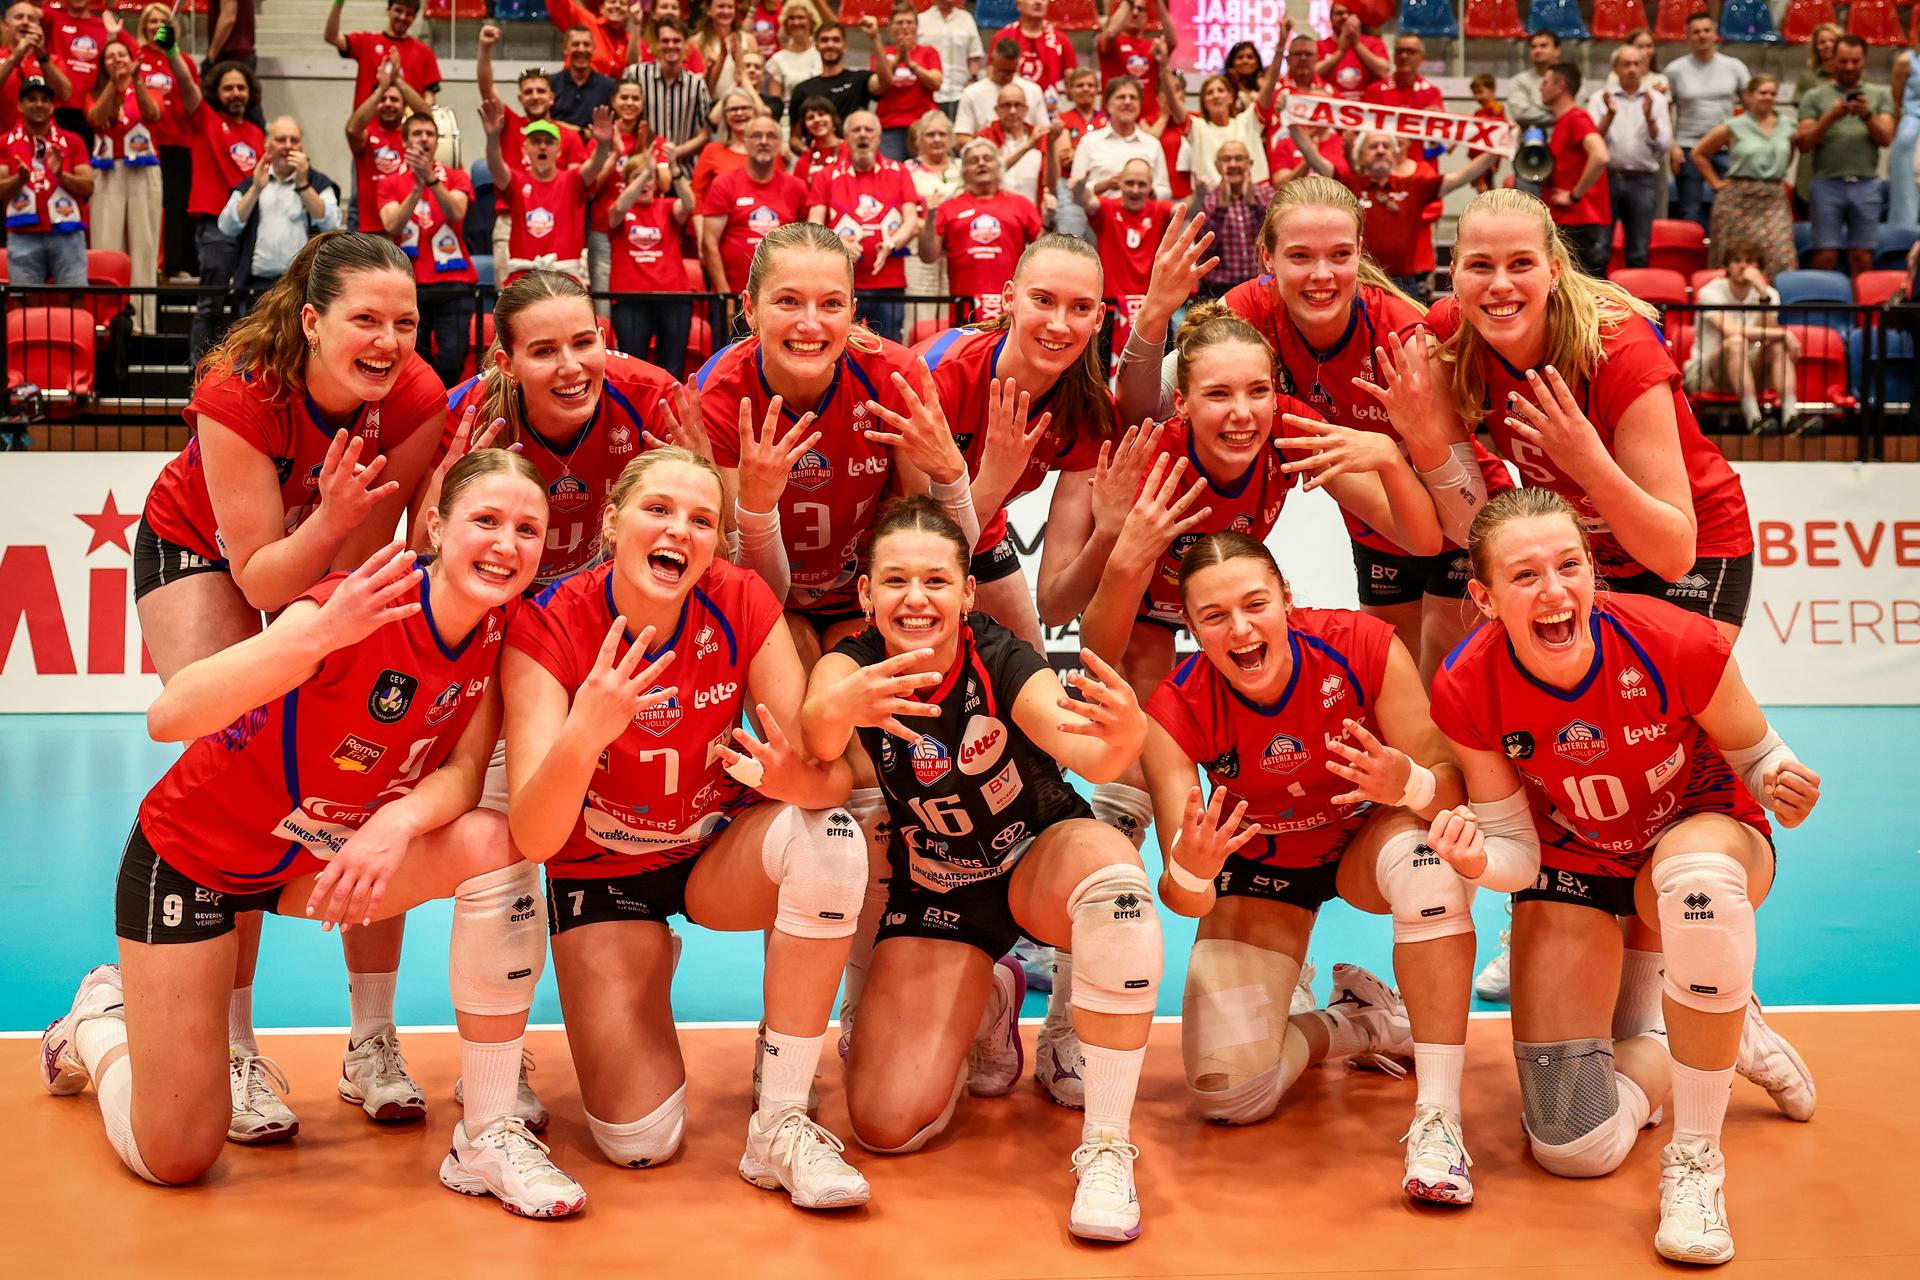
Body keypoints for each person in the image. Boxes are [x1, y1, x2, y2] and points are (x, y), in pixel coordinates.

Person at [40, 452, 581, 1210]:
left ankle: (485, 1126)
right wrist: (315, 635)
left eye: (528, 529)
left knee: (502, 838)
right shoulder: (359, 602)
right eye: (485, 521)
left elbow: (463, 773)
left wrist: (397, 819)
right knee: (178, 1154)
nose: (505, 544)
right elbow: (170, 718)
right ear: (436, 525)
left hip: (309, 865)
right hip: (194, 860)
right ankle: (99, 1020)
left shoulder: (501, 632)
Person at [1428, 486, 1820, 1265]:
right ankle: (1715, 1023)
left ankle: (1696, 1160)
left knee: (1699, 885)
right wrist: (1478, 862)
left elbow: (1761, 756)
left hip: (1693, 832)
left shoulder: (1678, 641)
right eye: (1525, 576)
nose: (1554, 591)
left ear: (1593, 574)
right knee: (1575, 1144)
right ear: (1483, 597)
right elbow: (1516, 853)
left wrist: (1787, 781)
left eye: (1569, 566)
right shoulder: (1466, 685)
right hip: (1574, 863)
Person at [132, 233, 447, 1144]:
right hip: (204, 549)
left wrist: (346, 531)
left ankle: (373, 1041)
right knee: (228, 774)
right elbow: (266, 582)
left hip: (322, 550)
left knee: (370, 775)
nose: (389, 341)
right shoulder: (239, 390)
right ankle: (234, 1050)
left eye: (405, 323)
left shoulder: (416, 396)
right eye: (365, 320)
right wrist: (340, 513)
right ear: (311, 322)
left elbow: (349, 579)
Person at [500, 443, 872, 1209]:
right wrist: (585, 731)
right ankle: (639, 962)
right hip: (600, 869)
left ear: (717, 544)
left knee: (830, 834)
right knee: (641, 1141)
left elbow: (832, 778)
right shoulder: (551, 622)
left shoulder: (739, 601)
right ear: (612, 523)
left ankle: (782, 1121)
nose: (680, 531)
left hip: (712, 854)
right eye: (659, 510)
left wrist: (787, 778)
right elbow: (535, 837)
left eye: (703, 520)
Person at [799, 496, 1162, 1242]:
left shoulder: (999, 657)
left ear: (966, 594)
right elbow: (816, 728)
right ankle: (992, 1003)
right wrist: (845, 706)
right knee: (885, 1127)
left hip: (1036, 856)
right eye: (895, 581)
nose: (916, 598)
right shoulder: (853, 662)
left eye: (936, 581)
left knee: (1118, 887)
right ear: (866, 595)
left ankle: (1104, 1150)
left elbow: (1086, 750)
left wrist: (1122, 738)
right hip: (938, 889)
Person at [1110, 527, 1480, 1203]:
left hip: (1367, 840)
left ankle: (1439, 1116)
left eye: (1256, 604)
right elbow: (1183, 895)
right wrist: (1192, 868)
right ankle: (1360, 1022)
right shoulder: (1173, 709)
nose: (1241, 630)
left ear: (1286, 597)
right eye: (1215, 616)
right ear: (1190, 625)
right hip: (1262, 871)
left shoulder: (1362, 645)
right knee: (1230, 1095)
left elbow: (1452, 789)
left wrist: (1408, 781)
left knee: (1433, 860)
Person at [1118, 195, 1507, 681]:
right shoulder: (1245, 311)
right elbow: (1144, 409)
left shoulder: (1403, 337)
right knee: (1397, 683)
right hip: (1374, 516)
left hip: (1458, 513)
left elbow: (1459, 521)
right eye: (1300, 256)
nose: (1320, 275)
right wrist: (1153, 315)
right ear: (1267, 258)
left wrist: (1402, 450)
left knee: (1449, 679)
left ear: (1360, 254)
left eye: (1340, 255)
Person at [1397, 189, 1756, 634]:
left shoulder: (1620, 351)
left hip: (1696, 541)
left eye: (1521, 263)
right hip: (1577, 554)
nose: (1500, 284)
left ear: (1555, 270)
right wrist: (1421, 439)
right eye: (1480, 265)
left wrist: (1586, 461)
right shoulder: (1450, 331)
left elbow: (1673, 554)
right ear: (1453, 273)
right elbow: (1459, 518)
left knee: (1674, 702)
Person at [1288, 127, 1497, 304]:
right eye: (1373, 146)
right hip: (1359, 283)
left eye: (1386, 146)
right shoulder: (1348, 185)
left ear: (1395, 155)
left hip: (1405, 285)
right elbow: (1313, 157)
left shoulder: (1414, 186)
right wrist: (1291, 124)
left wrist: (1497, 148)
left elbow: (1462, 176)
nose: (1380, 151)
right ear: (1360, 155)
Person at [806, 109, 922, 341]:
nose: (862, 135)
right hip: (842, 283)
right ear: (846, 138)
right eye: (856, 130)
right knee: (840, 348)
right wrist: (838, 245)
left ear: (879, 138)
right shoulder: (825, 176)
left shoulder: (900, 172)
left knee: (888, 351)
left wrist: (891, 243)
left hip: (890, 283)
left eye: (869, 130)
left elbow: (912, 221)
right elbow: (813, 224)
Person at [379, 111, 476, 386]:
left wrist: (432, 180)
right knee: (411, 360)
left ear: (437, 141)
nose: (424, 139)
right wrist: (417, 187)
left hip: (453, 284)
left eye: (430, 134)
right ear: (405, 141)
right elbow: (392, 224)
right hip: (409, 285)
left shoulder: (456, 176)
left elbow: (457, 212)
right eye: (417, 134)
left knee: (452, 359)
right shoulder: (389, 182)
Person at [482, 100, 614, 286]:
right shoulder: (516, 181)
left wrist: (603, 145)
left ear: (559, 150)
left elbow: (595, 165)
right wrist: (492, 137)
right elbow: (495, 166)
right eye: (536, 142)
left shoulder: (573, 180)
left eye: (548, 142)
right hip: (523, 280)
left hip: (565, 280)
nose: (542, 147)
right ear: (525, 149)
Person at [1794, 34, 1895, 278]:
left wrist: (1867, 116)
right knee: (1824, 255)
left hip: (1866, 183)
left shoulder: (1880, 94)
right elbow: (1804, 144)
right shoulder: (1814, 97)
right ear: (1832, 61)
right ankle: (1825, 312)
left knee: (1862, 256)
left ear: (1864, 62)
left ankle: (1862, 314)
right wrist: (1830, 117)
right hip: (1826, 184)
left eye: (1855, 61)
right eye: (1843, 61)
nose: (1849, 67)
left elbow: (1886, 138)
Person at [1684, 241, 1803, 434]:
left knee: (1776, 346)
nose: (1743, 266)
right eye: (1737, 261)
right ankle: (1754, 419)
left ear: (1759, 267)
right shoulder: (1710, 292)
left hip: (1748, 369)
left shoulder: (1769, 294)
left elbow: (1768, 332)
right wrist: (1783, 333)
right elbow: (1732, 331)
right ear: (1727, 266)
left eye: (1750, 262)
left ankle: (1791, 417)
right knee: (1736, 342)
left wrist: (1763, 293)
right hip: (1707, 372)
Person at [921, 137, 1041, 325]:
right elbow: (928, 256)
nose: (981, 164)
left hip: (1010, 306)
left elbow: (1041, 250)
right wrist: (930, 216)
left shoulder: (1022, 204)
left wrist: (1049, 221)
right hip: (965, 308)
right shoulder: (948, 207)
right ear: (964, 172)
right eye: (973, 160)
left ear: (999, 166)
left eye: (987, 158)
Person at [218, 116, 345, 294]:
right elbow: (227, 227)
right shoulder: (251, 184)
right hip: (254, 287)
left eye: (294, 140)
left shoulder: (318, 183)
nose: (288, 146)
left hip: (302, 285)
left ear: (301, 145)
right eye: (280, 140)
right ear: (267, 145)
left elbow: (331, 224)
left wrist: (303, 186)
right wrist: (256, 189)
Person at [1691, 74, 1797, 279]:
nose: (1768, 97)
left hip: (1773, 198)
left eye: (1772, 93)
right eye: (1762, 92)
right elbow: (1698, 153)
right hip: (1737, 198)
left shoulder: (1787, 125)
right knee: (1733, 257)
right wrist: (1716, 183)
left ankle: (1772, 302)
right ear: (1749, 96)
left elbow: (1790, 152)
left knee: (1780, 255)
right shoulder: (1734, 125)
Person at [85, 39, 160, 327]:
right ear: (102, 64)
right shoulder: (94, 93)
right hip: (107, 170)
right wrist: (113, 86)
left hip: (144, 168)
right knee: (107, 244)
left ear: (131, 59)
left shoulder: (147, 88)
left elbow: (152, 114)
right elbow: (95, 118)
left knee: (144, 245)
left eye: (122, 55)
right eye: (109, 57)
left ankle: (143, 323)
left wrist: (135, 82)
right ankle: (106, 320)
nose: (116, 60)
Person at [701, 109, 808, 299]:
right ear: (745, 142)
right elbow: (709, 243)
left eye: (771, 136)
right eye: (757, 136)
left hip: (782, 297)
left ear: (779, 144)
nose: (764, 141)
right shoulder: (724, 183)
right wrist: (725, 296)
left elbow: (804, 242)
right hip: (734, 295)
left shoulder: (796, 187)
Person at [0, 74, 91, 286]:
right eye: (32, 98)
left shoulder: (73, 141)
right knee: (24, 307)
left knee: (74, 301)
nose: (39, 104)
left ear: (52, 106)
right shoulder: (4, 143)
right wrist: (19, 180)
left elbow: (88, 186)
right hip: (22, 235)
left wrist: (61, 175)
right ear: (20, 106)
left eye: (44, 99)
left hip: (67, 233)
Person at [609, 157, 697, 372]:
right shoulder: (618, 209)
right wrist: (646, 173)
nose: (646, 183)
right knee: (633, 368)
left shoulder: (666, 206)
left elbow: (689, 204)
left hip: (673, 298)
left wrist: (675, 170)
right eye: (638, 177)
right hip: (631, 300)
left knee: (673, 368)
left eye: (650, 178)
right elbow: (618, 209)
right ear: (627, 183)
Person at [1589, 46, 1672, 271]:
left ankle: (1637, 303)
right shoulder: (1599, 99)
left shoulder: (1657, 100)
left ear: (1645, 67)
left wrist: (1650, 119)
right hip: (1607, 179)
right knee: (1599, 250)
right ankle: (1596, 305)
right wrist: (1609, 115)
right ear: (1615, 68)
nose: (1632, 69)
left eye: (1637, 64)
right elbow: (1591, 144)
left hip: (1642, 180)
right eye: (1626, 64)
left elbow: (1663, 145)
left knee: (1638, 252)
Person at [1664, 11, 1749, 230]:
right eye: (1696, 32)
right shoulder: (1674, 70)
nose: (1702, 35)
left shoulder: (1735, 66)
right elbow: (1664, 113)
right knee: (1689, 211)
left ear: (1715, 34)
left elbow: (1753, 109)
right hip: (1688, 147)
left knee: (1729, 210)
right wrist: (1672, 147)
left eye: (1706, 30)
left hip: (1726, 148)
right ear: (1688, 36)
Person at [1081, 157, 1173, 358]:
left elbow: (1185, 210)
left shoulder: (1160, 209)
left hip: (1152, 309)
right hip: (1111, 309)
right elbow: (1082, 198)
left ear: (1150, 187)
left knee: (1158, 370)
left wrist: (1200, 193)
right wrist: (1096, 185)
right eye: (1130, 183)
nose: (1135, 190)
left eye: (1142, 184)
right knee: (1103, 374)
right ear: (1119, 183)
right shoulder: (1106, 207)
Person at [131, 3, 195, 280]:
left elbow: (192, 97)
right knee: (147, 206)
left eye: (162, 21)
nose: (157, 25)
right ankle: (146, 265)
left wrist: (172, 53)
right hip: (143, 146)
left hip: (177, 142)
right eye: (151, 21)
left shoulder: (183, 59)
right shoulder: (136, 56)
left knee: (175, 205)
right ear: (143, 26)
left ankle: (173, 263)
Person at [1538, 62, 1611, 280]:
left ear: (1560, 86)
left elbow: (1600, 155)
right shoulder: (1564, 121)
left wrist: (1574, 195)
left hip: (1580, 221)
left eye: (1545, 82)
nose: (1540, 88)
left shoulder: (1576, 118)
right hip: (1570, 220)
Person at [623, 17, 713, 176]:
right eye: (665, 41)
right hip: (640, 168)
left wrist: (675, 153)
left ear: (686, 45)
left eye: (676, 41)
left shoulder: (697, 85)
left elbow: (705, 134)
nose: (671, 45)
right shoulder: (635, 75)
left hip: (682, 169)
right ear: (657, 44)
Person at [346, 64, 426, 233]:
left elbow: (427, 116)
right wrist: (381, 88)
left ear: (405, 107)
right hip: (369, 226)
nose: (388, 103)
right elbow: (352, 129)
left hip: (407, 226)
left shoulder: (413, 137)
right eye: (383, 99)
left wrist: (397, 80)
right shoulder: (365, 136)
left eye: (395, 99)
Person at [1070, 76, 1169, 203]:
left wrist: (1146, 189)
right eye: (1121, 97)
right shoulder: (1089, 142)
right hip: (1096, 219)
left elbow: (1165, 191)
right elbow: (1074, 191)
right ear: (1108, 104)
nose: (1127, 102)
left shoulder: (1152, 144)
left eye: (1133, 97)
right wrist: (1105, 185)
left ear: (1140, 104)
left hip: (1143, 220)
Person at [325, 0, 440, 107]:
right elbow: (332, 37)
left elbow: (429, 97)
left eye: (409, 14)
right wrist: (339, 3)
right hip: (367, 127)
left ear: (414, 17)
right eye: (398, 10)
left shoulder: (425, 52)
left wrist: (421, 116)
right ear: (388, 10)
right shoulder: (366, 43)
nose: (403, 17)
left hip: (406, 127)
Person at [1195, 141, 1272, 297]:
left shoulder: (1267, 195)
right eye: (1226, 159)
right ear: (1217, 166)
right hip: (1217, 290)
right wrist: (1220, 209)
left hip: (1261, 285)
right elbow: (1204, 251)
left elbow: (1272, 238)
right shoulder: (1208, 200)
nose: (1233, 164)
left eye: (1238, 158)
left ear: (1249, 164)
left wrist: (1255, 207)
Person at [866, 6, 941, 163]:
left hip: (923, 124)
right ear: (890, 27)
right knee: (888, 173)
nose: (905, 27)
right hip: (890, 125)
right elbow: (878, 87)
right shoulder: (881, 53)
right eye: (899, 23)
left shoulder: (929, 52)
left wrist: (911, 64)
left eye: (909, 22)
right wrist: (898, 59)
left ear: (916, 27)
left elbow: (936, 82)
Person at [972, 79, 1053, 208]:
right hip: (995, 214)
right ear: (997, 110)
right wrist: (1027, 146)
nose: (1013, 111)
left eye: (1018, 105)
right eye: (1007, 105)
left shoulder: (1041, 138)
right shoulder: (984, 139)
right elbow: (988, 174)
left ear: (1026, 109)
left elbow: (1051, 183)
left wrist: (1052, 145)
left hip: (1032, 214)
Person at [784, 21, 870, 137]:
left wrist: (875, 37)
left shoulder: (860, 79)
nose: (830, 44)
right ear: (816, 46)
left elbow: (885, 81)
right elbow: (795, 139)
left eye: (836, 40)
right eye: (824, 40)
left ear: (845, 46)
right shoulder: (802, 89)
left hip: (852, 151)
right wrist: (813, 154)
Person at [955, 36, 1045, 144]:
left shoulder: (1033, 91)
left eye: (1010, 71)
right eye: (1001, 70)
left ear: (1017, 64)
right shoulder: (972, 93)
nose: (1005, 76)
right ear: (993, 60)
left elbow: (1043, 132)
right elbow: (961, 139)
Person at [1185, 74, 1268, 189]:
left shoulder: (1248, 121)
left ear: (1231, 97)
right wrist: (1164, 67)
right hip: (1211, 202)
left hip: (1255, 198)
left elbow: (1268, 92)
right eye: (1210, 92)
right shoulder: (1197, 127)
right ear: (1203, 102)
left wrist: (1278, 56)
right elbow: (1175, 108)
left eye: (1221, 90)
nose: (1216, 95)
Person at [1096, 0, 1174, 123]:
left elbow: (1172, 42)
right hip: (1114, 120)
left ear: (1147, 16)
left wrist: (1159, 2)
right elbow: (1110, 34)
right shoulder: (1110, 44)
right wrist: (1128, 2)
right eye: (1132, 8)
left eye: (1141, 9)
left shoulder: (1154, 46)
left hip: (1148, 122)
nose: (1135, 13)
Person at [692, 87, 761, 205]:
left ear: (754, 112)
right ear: (724, 116)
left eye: (745, 108)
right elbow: (697, 195)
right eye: (733, 109)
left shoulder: (768, 152)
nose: (739, 113)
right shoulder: (712, 151)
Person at [918, 0, 983, 121]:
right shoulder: (921, 21)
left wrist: (972, 79)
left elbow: (974, 56)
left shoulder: (966, 19)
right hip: (929, 95)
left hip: (960, 94)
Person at [993, 0, 1076, 95]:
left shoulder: (1061, 41)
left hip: (1048, 106)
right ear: (1018, 4)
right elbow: (992, 78)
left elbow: (1072, 87)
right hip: (1010, 104)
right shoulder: (1002, 37)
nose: (1038, 2)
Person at [1315, 2, 1390, 101]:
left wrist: (1357, 44)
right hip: (1331, 109)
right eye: (1339, 13)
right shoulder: (1318, 46)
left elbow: (1383, 72)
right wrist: (1340, 52)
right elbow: (1312, 74)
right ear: (1331, 19)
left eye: (1350, 13)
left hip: (1366, 110)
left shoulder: (1375, 43)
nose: (1345, 16)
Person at [546, 0, 634, 79]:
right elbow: (559, 4)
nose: (617, 6)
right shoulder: (587, 21)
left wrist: (636, 25)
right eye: (612, 2)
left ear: (628, 12)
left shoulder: (630, 41)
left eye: (623, 3)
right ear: (601, 8)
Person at [552, 24, 617, 128]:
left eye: (586, 44)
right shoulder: (551, 84)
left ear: (594, 49)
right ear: (565, 49)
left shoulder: (609, 86)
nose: (581, 49)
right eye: (575, 44)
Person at [693, 0, 755, 100]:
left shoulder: (749, 39)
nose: (726, 11)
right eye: (721, 7)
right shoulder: (696, 42)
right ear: (709, 10)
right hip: (709, 102)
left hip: (743, 102)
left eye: (730, 7)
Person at [766, 1, 822, 100]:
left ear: (811, 21)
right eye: (791, 18)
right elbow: (775, 102)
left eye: (801, 17)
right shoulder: (778, 59)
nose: (796, 22)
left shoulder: (822, 53)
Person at [790, 94, 843, 183]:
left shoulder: (851, 151)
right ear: (805, 126)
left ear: (832, 118)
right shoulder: (804, 162)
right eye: (811, 117)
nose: (817, 120)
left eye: (821, 114)